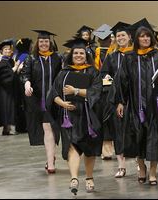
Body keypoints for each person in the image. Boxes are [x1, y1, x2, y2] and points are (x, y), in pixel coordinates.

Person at [113, 18, 158, 186]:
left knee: (156, 138)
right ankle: (141, 168)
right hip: (135, 105)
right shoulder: (129, 58)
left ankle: (153, 172)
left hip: (156, 105)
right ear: (137, 39)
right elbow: (122, 81)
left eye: (148, 36)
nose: (145, 39)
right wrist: (120, 101)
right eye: (142, 36)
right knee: (137, 138)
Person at [46, 37, 102, 195]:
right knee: (73, 146)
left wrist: (75, 91)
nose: (78, 55)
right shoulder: (64, 73)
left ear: (86, 55)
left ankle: (89, 177)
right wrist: (62, 103)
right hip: (69, 117)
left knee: (89, 149)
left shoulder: (92, 72)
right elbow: (53, 93)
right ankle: (74, 178)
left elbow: (96, 92)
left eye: (81, 53)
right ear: (71, 55)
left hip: (88, 116)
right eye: (76, 53)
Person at [22, 30, 62, 174]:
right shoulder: (31, 59)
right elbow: (25, 75)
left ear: (50, 42)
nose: (44, 44)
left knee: (54, 129)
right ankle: (50, 163)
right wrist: (27, 85)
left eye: (46, 41)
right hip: (40, 100)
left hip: (56, 99)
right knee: (47, 128)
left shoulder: (58, 58)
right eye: (41, 41)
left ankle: (51, 155)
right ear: (37, 43)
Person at [100, 21, 133, 178]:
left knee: (135, 131)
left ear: (129, 37)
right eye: (117, 36)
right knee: (118, 132)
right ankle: (121, 165)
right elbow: (104, 74)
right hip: (116, 99)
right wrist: (106, 77)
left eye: (123, 35)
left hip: (134, 99)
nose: (120, 38)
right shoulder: (111, 57)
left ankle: (140, 164)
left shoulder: (136, 54)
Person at [92, 24, 115, 160]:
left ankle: (114, 148)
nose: (103, 40)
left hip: (112, 90)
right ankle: (103, 149)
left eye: (106, 38)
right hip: (98, 91)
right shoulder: (94, 52)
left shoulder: (114, 53)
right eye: (101, 38)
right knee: (100, 120)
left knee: (112, 121)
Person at [0, 39, 20, 135]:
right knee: (6, 108)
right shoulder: (1, 61)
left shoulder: (9, 61)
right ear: (1, 51)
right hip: (3, 90)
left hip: (10, 89)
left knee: (10, 108)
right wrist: (15, 68)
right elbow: (4, 77)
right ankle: (6, 129)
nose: (7, 51)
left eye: (9, 49)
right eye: (5, 49)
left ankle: (8, 128)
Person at [13, 38, 33, 134]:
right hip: (23, 83)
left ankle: (21, 126)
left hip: (19, 83)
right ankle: (24, 126)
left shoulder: (18, 55)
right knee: (25, 104)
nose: (32, 47)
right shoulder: (25, 56)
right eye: (30, 45)